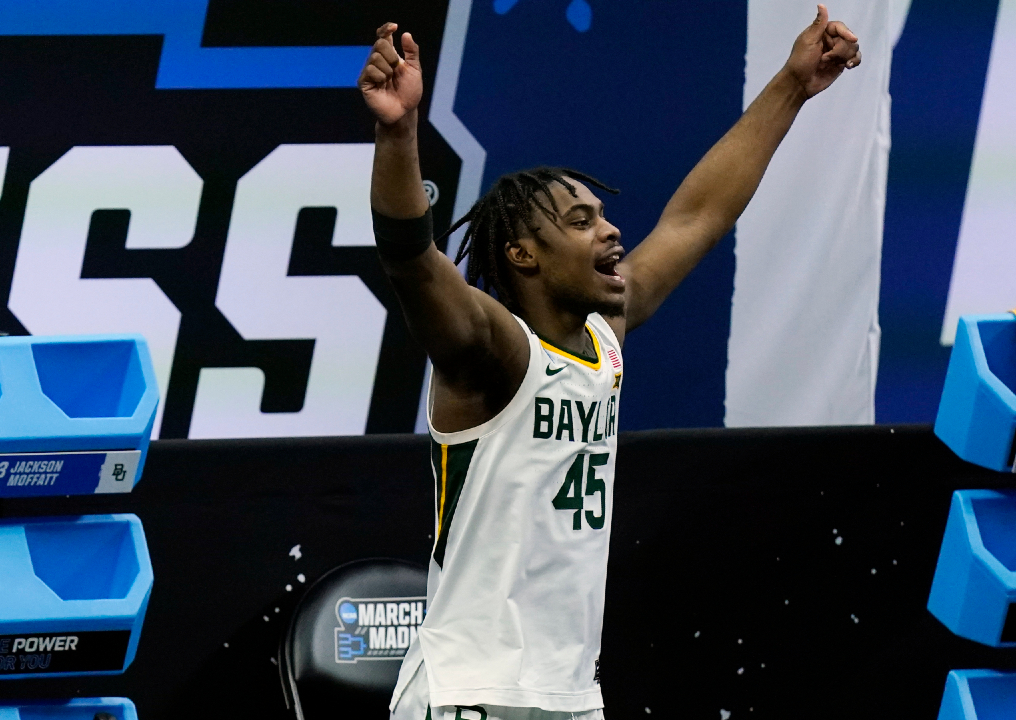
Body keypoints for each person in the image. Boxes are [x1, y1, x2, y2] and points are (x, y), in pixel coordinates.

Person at [359, 6, 860, 719]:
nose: (611, 226)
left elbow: (697, 217)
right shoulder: (491, 352)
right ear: (523, 254)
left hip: (569, 695)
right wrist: (398, 132)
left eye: (602, 213)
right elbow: (410, 257)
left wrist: (792, 84)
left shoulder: (605, 337)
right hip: (471, 690)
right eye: (581, 220)